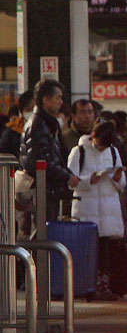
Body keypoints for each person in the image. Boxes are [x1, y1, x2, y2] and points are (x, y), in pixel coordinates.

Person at [68, 118, 126, 301]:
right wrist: (88, 180)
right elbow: (70, 181)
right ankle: (87, 287)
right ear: (93, 136)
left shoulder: (114, 151)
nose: (103, 150)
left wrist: (117, 177)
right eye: (100, 145)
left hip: (108, 210)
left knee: (106, 252)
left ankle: (103, 287)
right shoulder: (79, 152)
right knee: (88, 251)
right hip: (88, 208)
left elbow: (122, 184)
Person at [21, 78, 79, 226]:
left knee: (45, 233)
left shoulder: (48, 123)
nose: (61, 102)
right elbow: (41, 159)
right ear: (45, 100)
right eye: (57, 97)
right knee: (42, 233)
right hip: (41, 189)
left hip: (48, 188)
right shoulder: (39, 124)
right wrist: (66, 175)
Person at [0, 91, 35, 158]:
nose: (32, 113)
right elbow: (3, 153)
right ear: (21, 112)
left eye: (34, 109)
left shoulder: (46, 129)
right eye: (29, 110)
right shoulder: (12, 131)